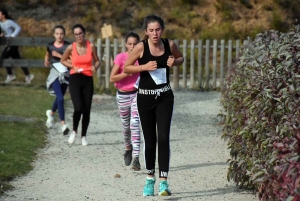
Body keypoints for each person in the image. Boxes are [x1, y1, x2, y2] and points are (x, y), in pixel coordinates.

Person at [124, 15, 184, 196]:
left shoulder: (169, 44)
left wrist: (175, 61)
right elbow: (127, 67)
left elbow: (180, 58)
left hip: (165, 97)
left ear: (162, 29)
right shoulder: (141, 47)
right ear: (146, 32)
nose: (155, 33)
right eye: (151, 30)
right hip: (145, 98)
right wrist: (143, 67)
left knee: (164, 138)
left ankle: (163, 182)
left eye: (157, 29)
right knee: (150, 141)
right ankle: (150, 179)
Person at [61, 24, 100, 146]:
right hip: (75, 78)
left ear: (84, 33)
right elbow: (63, 60)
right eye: (76, 34)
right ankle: (74, 131)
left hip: (88, 79)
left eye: (80, 33)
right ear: (74, 35)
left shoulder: (91, 46)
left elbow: (98, 60)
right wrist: (73, 66)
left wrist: (95, 67)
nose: (79, 36)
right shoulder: (71, 47)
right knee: (78, 107)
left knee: (86, 110)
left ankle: (83, 135)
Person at [109, 32, 141, 170]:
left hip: (137, 94)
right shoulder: (121, 58)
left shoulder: (142, 58)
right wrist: (125, 74)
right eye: (130, 44)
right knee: (126, 126)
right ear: (126, 45)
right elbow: (112, 78)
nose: (132, 46)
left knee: (135, 124)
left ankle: (136, 158)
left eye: (135, 44)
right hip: (122, 95)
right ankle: (128, 148)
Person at [44, 25, 71, 135]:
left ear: (64, 35)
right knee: (60, 98)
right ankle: (63, 125)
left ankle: (50, 114)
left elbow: (71, 60)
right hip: (55, 74)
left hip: (65, 74)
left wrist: (59, 55)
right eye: (57, 34)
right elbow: (47, 55)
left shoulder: (69, 46)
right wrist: (46, 61)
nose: (59, 36)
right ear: (54, 34)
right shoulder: (50, 46)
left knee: (60, 98)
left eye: (61, 34)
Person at [0, 8, 34, 84]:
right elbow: (3, 31)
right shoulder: (0, 23)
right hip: (7, 43)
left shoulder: (9, 22)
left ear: (3, 15)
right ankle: (28, 76)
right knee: (18, 60)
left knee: (3, 57)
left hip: (12, 43)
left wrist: (12, 36)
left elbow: (18, 28)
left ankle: (10, 75)